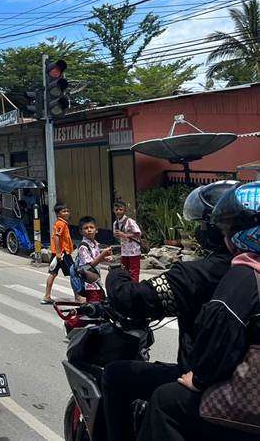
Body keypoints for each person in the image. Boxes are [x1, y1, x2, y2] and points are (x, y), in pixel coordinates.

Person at [100, 180, 240, 441]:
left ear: (215, 227)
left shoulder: (199, 273)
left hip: (205, 382)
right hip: (243, 382)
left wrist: (115, 275)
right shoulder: (248, 267)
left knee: (114, 375)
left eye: (201, 225)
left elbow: (132, 300)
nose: (197, 232)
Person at [137, 181, 260, 441]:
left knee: (165, 400)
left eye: (228, 228)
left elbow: (221, 333)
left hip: (252, 400)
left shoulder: (244, 276)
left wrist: (201, 378)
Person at [74, 216, 113, 302]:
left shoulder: (95, 243)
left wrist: (104, 258)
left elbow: (95, 258)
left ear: (96, 229)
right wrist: (102, 255)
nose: (89, 230)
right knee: (94, 302)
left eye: (91, 227)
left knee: (99, 300)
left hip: (95, 277)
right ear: (81, 231)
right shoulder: (83, 247)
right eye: (86, 228)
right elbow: (90, 264)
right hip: (88, 281)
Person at [43, 204, 73, 304]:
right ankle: (78, 296)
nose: (67, 213)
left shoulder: (62, 223)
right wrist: (59, 253)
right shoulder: (61, 224)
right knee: (74, 273)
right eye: (64, 211)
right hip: (62, 254)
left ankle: (47, 296)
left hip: (58, 253)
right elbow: (57, 237)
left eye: (67, 211)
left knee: (53, 274)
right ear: (58, 213)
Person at [113, 201, 143, 282]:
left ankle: (134, 289)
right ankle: (126, 287)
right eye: (116, 209)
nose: (118, 211)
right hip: (124, 251)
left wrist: (125, 235)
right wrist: (117, 235)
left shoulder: (130, 221)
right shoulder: (115, 223)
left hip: (134, 250)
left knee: (134, 271)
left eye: (120, 209)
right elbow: (117, 236)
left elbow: (138, 233)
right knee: (124, 271)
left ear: (124, 211)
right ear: (114, 210)